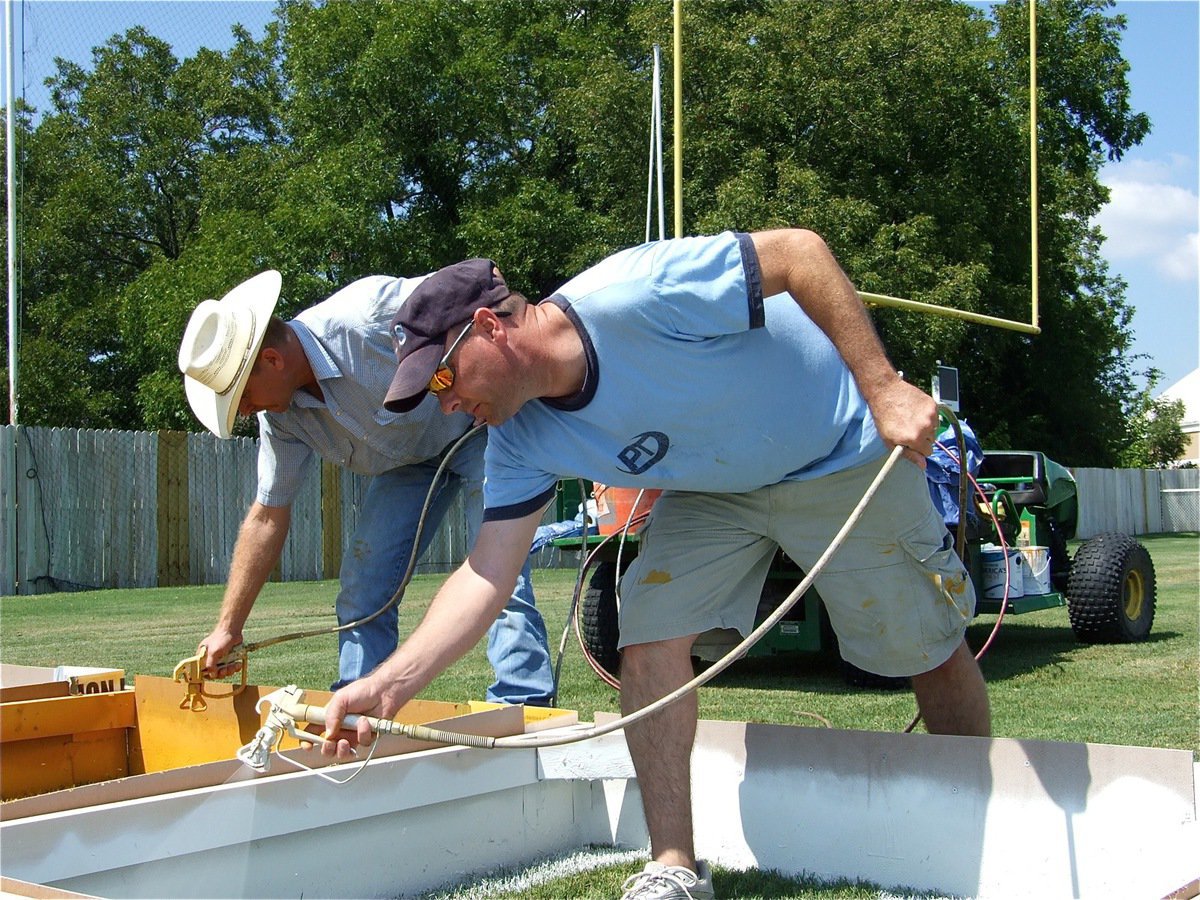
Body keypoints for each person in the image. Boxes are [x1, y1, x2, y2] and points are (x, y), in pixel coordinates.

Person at [318, 230, 991, 899]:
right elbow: (486, 576)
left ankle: (973, 834)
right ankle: (673, 866)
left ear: (489, 326)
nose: (446, 405)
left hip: (838, 449)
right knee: (647, 640)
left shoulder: (635, 293)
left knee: (926, 646)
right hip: (715, 490)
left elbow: (801, 254)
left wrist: (883, 387)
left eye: (442, 378)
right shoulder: (515, 439)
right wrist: (389, 686)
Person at [176, 270, 555, 704]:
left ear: (272, 361)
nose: (243, 411)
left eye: (240, 395)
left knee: (496, 567)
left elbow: (477, 282)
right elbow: (267, 515)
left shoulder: (368, 314)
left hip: (479, 428)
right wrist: (229, 626)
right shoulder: (281, 420)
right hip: (410, 462)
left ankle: (523, 703)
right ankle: (358, 708)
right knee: (363, 584)